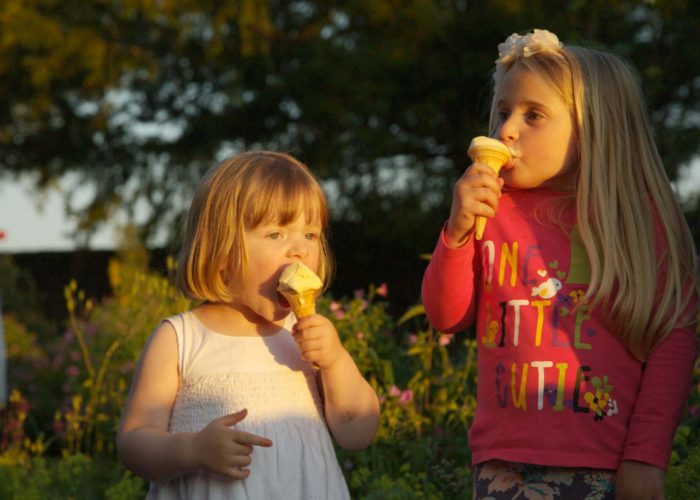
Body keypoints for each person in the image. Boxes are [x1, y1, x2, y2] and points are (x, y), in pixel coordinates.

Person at [421, 29, 698, 499]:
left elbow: (672, 336)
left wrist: (646, 457)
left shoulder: (632, 218)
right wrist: (458, 232)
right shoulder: (491, 208)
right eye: (504, 112)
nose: (506, 129)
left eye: (533, 115)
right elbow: (446, 315)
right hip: (500, 462)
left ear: (595, 127)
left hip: (603, 466)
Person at [117, 151, 380, 499]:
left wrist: (335, 360)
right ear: (222, 250)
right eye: (276, 235)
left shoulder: (304, 338)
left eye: (311, 235)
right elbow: (134, 440)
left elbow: (358, 432)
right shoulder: (180, 339)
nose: (299, 251)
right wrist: (192, 450)